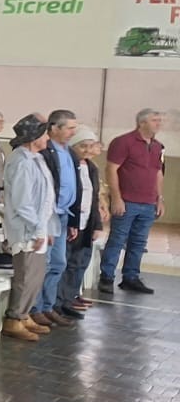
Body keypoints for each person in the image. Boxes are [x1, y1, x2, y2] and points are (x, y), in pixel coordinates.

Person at [2, 116, 56, 342]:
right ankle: (14, 318)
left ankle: (24, 314)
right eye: (44, 134)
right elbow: (23, 202)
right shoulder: (21, 161)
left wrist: (47, 227)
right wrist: (36, 230)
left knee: (36, 275)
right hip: (26, 228)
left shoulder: (36, 158)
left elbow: (45, 197)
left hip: (38, 226)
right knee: (26, 274)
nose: (47, 138)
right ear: (34, 138)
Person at [100, 108, 165, 295]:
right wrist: (117, 198)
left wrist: (159, 199)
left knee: (138, 242)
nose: (158, 124)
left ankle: (130, 277)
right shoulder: (123, 142)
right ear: (142, 122)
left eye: (159, 120)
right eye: (155, 120)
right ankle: (106, 277)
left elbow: (158, 173)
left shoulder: (157, 146)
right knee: (117, 240)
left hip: (148, 203)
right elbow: (111, 169)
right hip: (127, 201)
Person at [32, 109, 80, 330]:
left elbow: (76, 186)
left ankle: (48, 306)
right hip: (48, 215)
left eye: (74, 127)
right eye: (69, 127)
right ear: (54, 128)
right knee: (45, 263)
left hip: (63, 214)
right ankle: (35, 308)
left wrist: (73, 221)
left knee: (59, 263)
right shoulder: (45, 150)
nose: (73, 132)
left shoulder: (69, 151)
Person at [55, 127, 103, 320]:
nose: (87, 150)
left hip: (86, 222)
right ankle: (59, 302)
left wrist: (97, 224)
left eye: (90, 146)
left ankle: (70, 297)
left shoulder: (91, 168)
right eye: (83, 146)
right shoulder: (68, 165)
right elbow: (70, 196)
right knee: (65, 262)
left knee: (80, 262)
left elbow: (94, 198)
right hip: (71, 221)